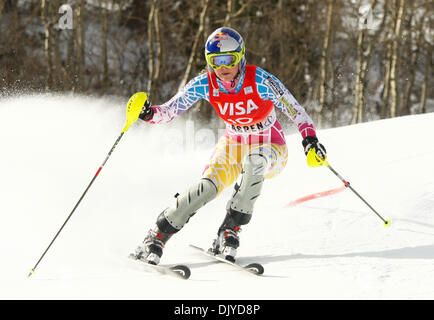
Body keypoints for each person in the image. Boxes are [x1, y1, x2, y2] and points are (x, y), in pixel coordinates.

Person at [132, 27, 326, 265]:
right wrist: (148, 113)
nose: (222, 68)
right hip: (234, 144)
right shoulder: (205, 83)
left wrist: (310, 139)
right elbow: (171, 110)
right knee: (207, 188)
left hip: (270, 145)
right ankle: (158, 234)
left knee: (255, 162)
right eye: (215, 61)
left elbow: (295, 110)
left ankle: (230, 229)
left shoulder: (261, 80)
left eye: (228, 60)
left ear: (240, 57)